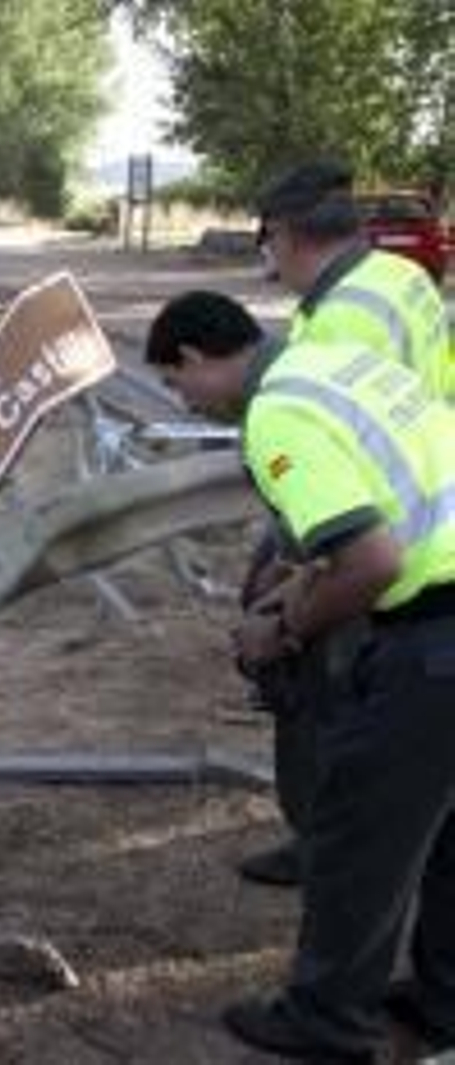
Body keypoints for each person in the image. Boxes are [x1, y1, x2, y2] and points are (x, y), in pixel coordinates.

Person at [145, 290, 455, 1063]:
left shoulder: (275, 415)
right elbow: (371, 518)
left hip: (435, 636)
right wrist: (298, 589)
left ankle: (327, 1018)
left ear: (194, 357)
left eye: (177, 385)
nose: (186, 401)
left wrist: (280, 627)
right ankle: (443, 998)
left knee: (361, 832)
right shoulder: (333, 362)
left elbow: (373, 562)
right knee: (449, 830)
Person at [236, 160, 453, 889]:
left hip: (382, 530)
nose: (264, 259)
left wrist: (295, 572)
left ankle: (325, 842)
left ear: (290, 234)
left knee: (326, 690)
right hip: (427, 493)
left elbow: (334, 444)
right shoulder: (397, 276)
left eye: (264, 241)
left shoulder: (343, 317)